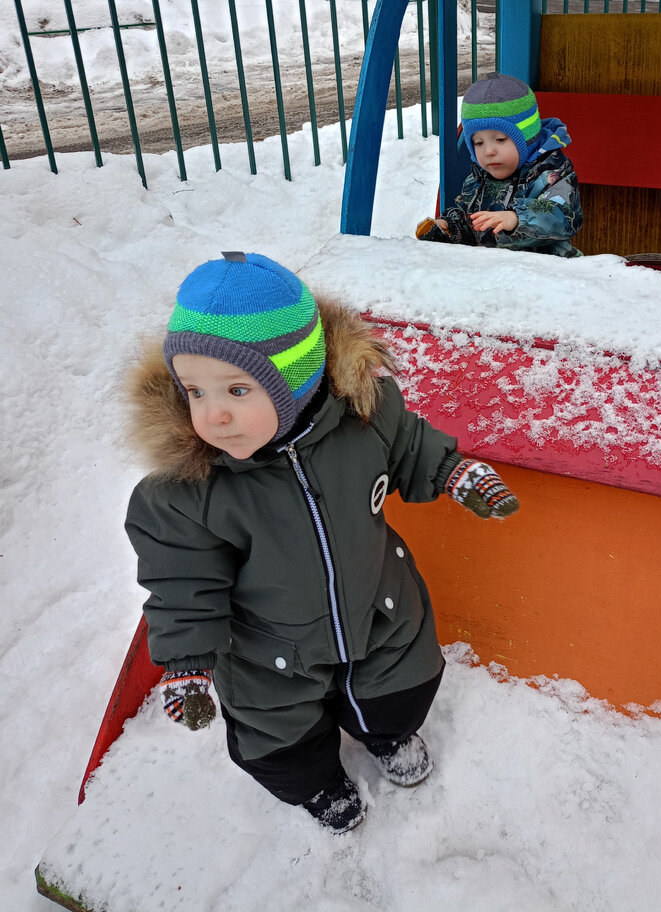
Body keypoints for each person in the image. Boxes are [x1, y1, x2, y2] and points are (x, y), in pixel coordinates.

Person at [125, 251, 519, 834]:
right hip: (267, 653)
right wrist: (187, 663)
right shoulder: (189, 492)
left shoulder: (367, 417)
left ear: (298, 377)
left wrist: (453, 473)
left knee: (398, 688)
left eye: (236, 389)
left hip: (377, 610)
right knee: (277, 737)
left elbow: (410, 447)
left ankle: (387, 736)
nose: (214, 416)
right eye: (195, 392)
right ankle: (317, 784)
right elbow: (183, 583)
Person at [416, 73, 583, 258]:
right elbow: (471, 222)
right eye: (478, 143)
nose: (489, 151)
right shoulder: (478, 179)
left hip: (547, 273)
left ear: (527, 139)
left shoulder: (551, 173)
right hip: (494, 275)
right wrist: (449, 227)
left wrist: (517, 218)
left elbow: (564, 217)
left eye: (501, 139)